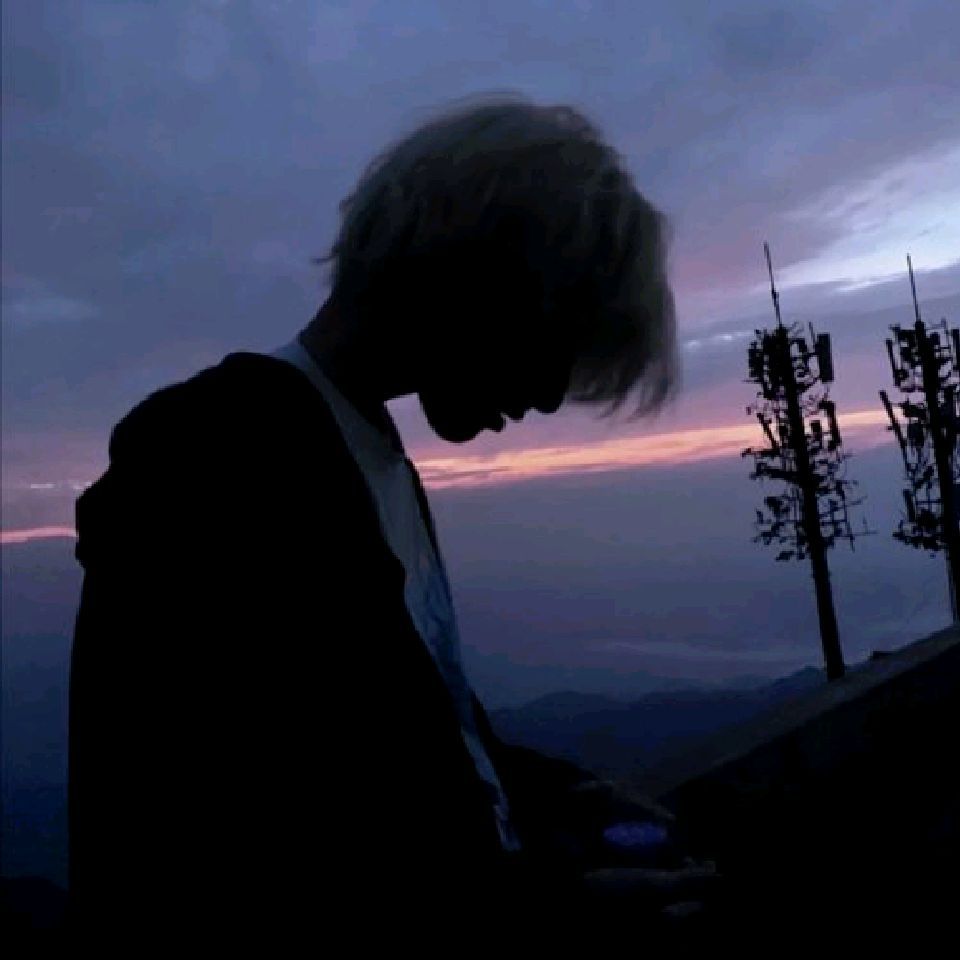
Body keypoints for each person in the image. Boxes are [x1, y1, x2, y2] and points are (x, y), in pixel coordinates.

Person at [68, 91, 711, 945]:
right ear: (477, 279)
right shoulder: (216, 454)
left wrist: (556, 794)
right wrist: (542, 916)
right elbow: (222, 847)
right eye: (555, 340)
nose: (552, 393)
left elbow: (403, 746)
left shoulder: (368, 454)